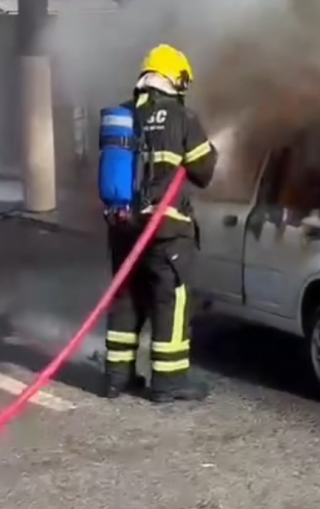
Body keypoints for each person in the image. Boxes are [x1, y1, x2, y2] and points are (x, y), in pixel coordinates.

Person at [103, 43, 218, 403]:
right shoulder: (182, 118)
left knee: (126, 296)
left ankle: (116, 378)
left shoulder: (122, 115)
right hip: (165, 231)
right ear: (176, 79)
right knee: (171, 298)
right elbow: (203, 171)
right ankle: (169, 382)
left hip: (122, 226)